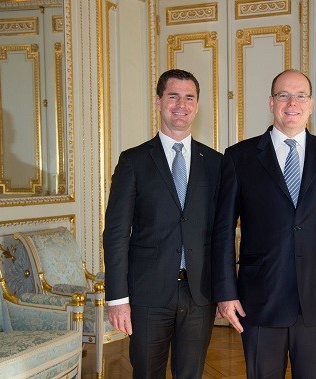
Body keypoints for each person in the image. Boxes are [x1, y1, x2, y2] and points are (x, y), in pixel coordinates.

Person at [211, 69, 316, 379]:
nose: (291, 103)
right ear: (271, 102)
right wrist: (226, 293)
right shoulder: (239, 157)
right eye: (283, 95)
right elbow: (223, 230)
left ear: (311, 104)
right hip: (259, 298)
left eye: (300, 96)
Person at [103, 69, 222, 378]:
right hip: (146, 294)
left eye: (189, 98)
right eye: (173, 96)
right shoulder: (133, 161)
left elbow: (223, 234)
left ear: (197, 105)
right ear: (158, 102)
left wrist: (226, 291)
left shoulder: (217, 163)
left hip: (200, 294)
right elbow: (116, 233)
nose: (180, 105)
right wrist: (117, 299)